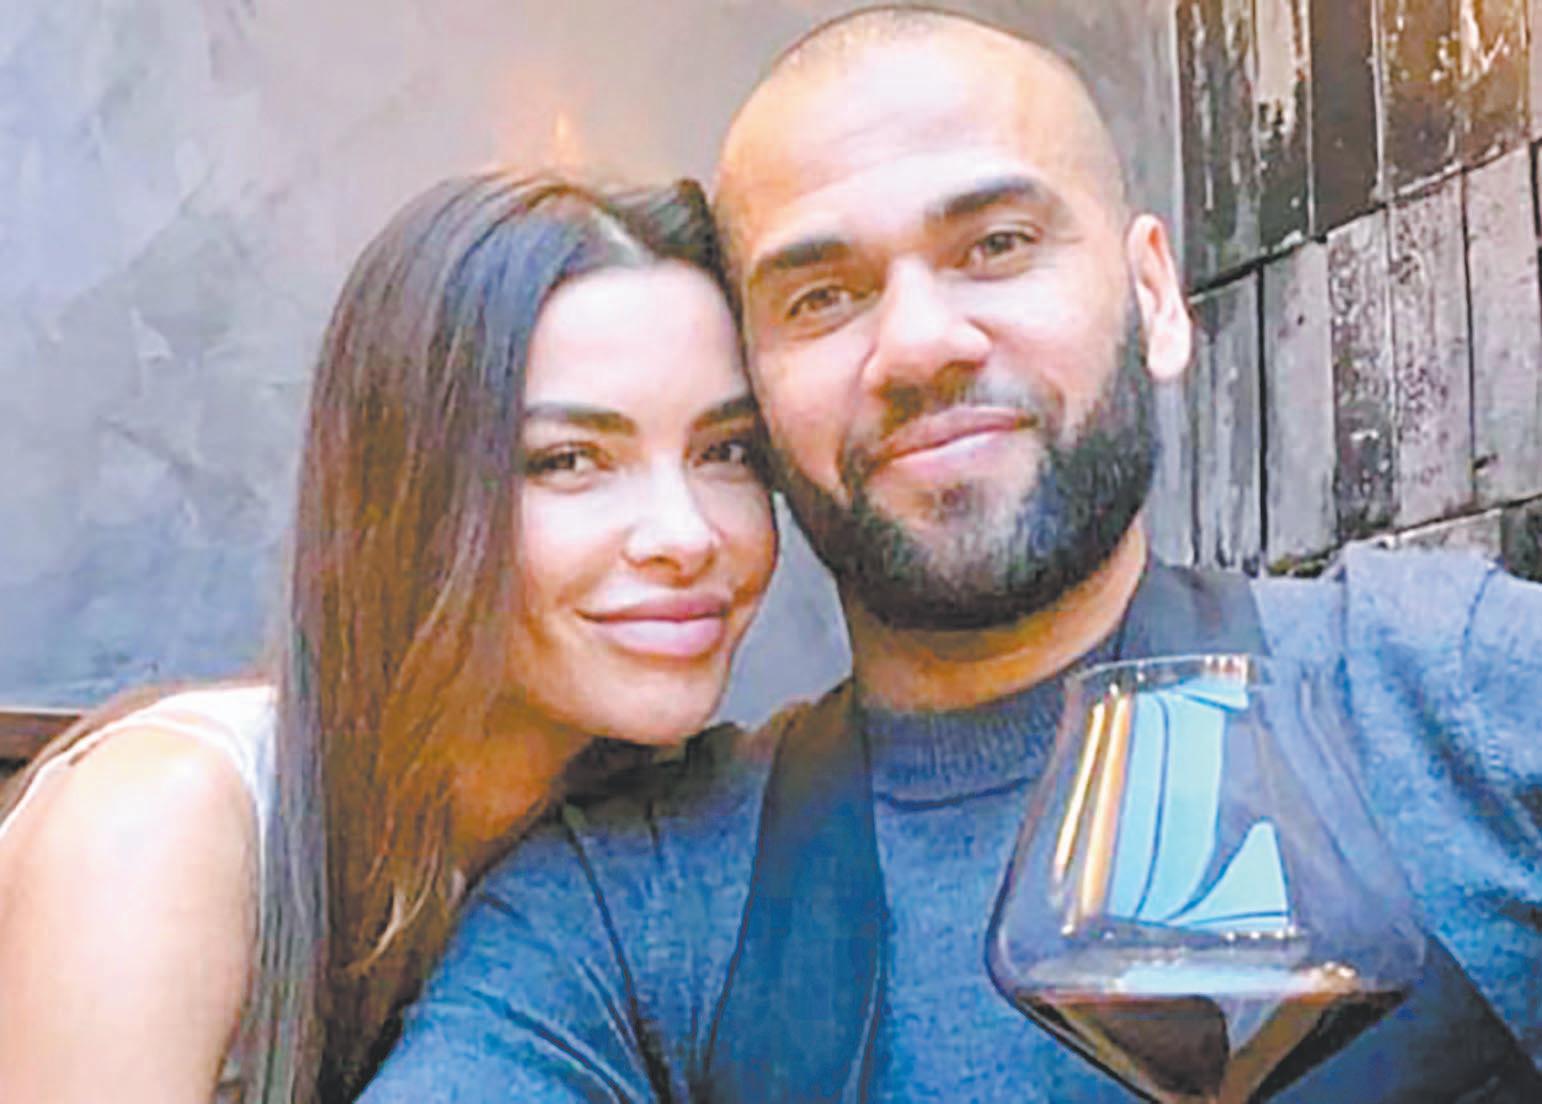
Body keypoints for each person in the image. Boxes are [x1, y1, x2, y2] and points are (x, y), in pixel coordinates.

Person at [361, 8, 1542, 1102]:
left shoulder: (1448, 692)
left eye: (997, 244)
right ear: (759, 398)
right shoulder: (626, 909)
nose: (920, 344)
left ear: (1154, 297)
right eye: (822, 297)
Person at [0, 172, 777, 1103]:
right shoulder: (168, 820)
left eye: (726, 451)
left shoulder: (670, 844)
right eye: (569, 461)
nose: (686, 535)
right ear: (408, 492)